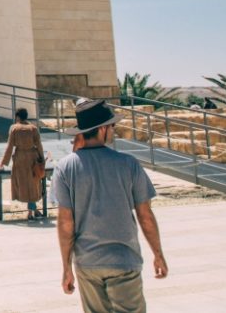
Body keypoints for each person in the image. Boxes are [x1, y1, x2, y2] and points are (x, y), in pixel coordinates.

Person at [51, 98, 168, 313]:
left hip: (87, 263)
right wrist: (158, 254)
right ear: (103, 129)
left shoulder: (65, 168)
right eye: (112, 126)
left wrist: (67, 266)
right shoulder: (128, 164)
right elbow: (145, 215)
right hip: (124, 260)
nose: (114, 131)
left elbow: (66, 222)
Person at [0, 107, 45, 220]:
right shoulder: (33, 128)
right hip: (32, 158)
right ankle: (34, 210)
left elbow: (9, 146)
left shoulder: (14, 128)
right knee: (33, 184)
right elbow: (39, 145)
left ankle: (31, 212)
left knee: (23, 185)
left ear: (17, 117)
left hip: (20, 159)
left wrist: (3, 163)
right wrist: (42, 160)